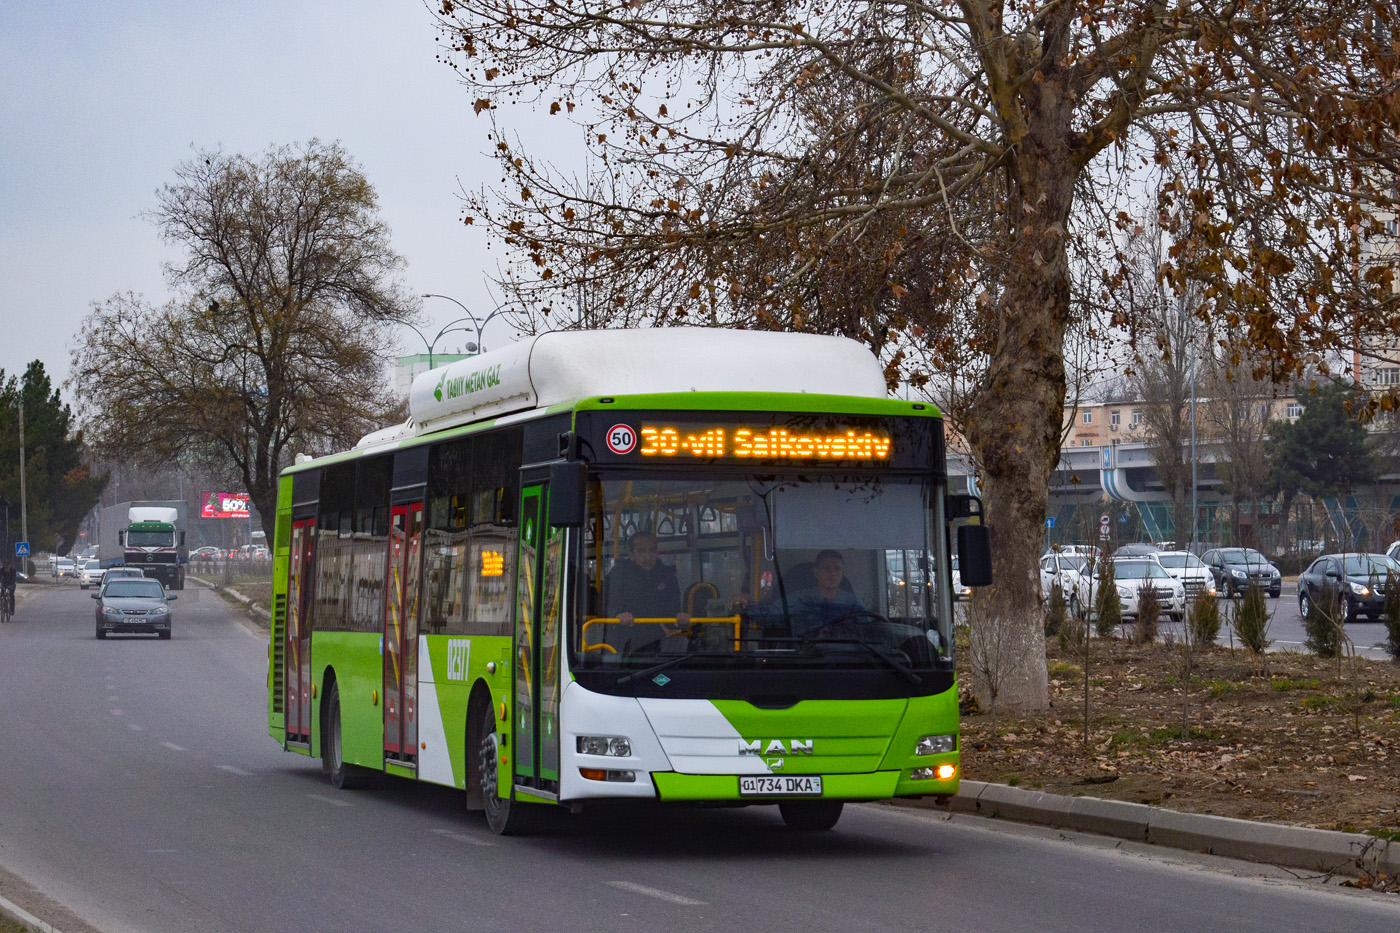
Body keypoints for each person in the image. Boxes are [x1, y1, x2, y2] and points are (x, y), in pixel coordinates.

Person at [603, 532, 689, 648]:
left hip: (655, 639)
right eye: (641, 551)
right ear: (631, 554)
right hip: (622, 640)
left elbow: (672, 612)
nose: (648, 556)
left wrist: (680, 618)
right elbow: (607, 605)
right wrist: (618, 615)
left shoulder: (666, 575)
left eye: (652, 550)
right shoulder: (618, 574)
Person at [784, 549, 865, 636]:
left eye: (837, 568)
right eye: (827, 568)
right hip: (810, 648)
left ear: (842, 573)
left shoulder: (854, 604)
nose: (832, 573)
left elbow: (868, 633)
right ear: (816, 572)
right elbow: (771, 614)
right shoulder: (800, 599)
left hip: (847, 649)